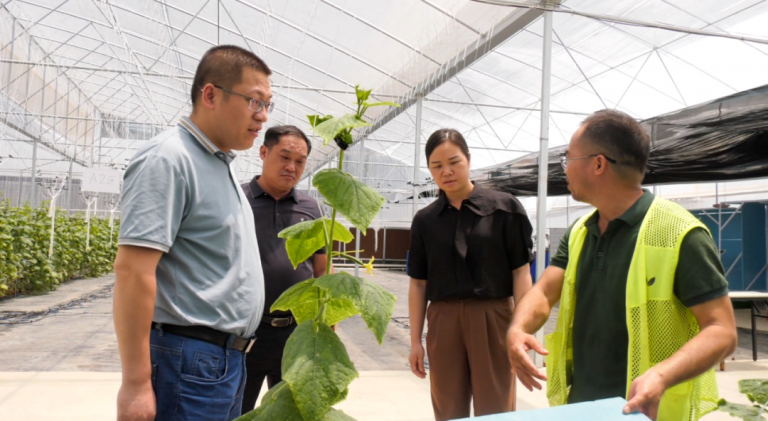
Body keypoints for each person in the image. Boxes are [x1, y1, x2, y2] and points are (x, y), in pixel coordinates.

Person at [506, 109, 738, 421]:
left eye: (568, 160)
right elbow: (545, 292)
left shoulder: (680, 233)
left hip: (647, 411)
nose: (565, 171)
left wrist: (661, 375)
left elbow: (722, 330)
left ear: (598, 164)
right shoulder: (579, 231)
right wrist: (519, 328)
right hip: (581, 405)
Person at [113, 45, 273, 421]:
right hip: (188, 361)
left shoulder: (219, 164)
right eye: (254, 102)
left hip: (222, 362)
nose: (262, 116)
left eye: (268, 104)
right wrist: (135, 383)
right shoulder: (168, 158)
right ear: (211, 94)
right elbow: (132, 271)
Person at [407, 129, 534, 420]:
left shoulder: (505, 209)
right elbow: (418, 283)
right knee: (448, 407)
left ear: (469, 160)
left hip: (493, 316)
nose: (446, 172)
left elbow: (520, 273)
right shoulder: (425, 220)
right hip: (443, 319)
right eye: (436, 166)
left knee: (496, 406)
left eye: (454, 162)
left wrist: (522, 329)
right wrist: (416, 341)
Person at [240, 125, 327, 413]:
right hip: (246, 332)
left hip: (294, 333)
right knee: (240, 410)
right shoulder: (238, 200)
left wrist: (325, 319)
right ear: (263, 152)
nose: (292, 167)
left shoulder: (310, 207)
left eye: (300, 162)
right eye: (284, 157)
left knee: (290, 412)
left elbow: (321, 268)